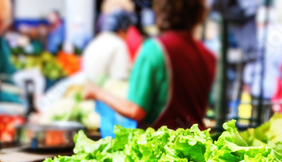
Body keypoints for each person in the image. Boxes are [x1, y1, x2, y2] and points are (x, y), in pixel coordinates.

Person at [83, 0, 216, 130]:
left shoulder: (154, 49)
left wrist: (97, 92)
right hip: (196, 144)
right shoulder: (208, 55)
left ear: (161, 10)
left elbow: (134, 110)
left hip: (162, 147)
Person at [81, 10, 132, 83]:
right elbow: (122, 79)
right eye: (127, 32)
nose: (127, 37)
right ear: (121, 31)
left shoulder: (94, 42)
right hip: (103, 92)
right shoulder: (118, 44)